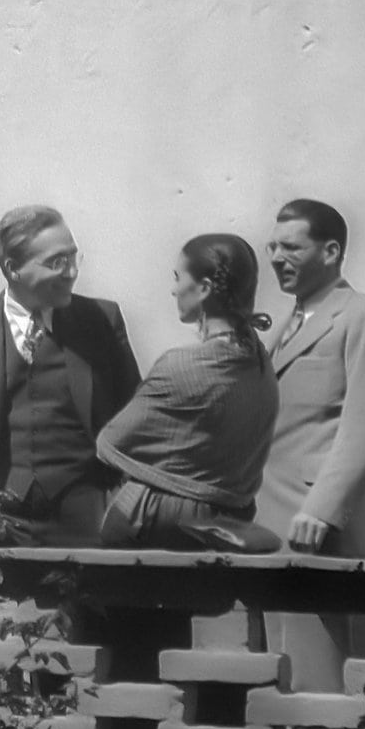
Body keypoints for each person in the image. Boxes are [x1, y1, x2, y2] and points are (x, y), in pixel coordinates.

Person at [258, 199, 365, 729]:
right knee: (268, 699)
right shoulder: (284, 325)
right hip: (259, 537)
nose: (276, 257)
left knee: (313, 704)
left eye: (291, 246)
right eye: (273, 247)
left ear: (331, 251)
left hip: (310, 538)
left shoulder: (364, 316)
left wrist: (324, 507)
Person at [0, 205, 141, 548]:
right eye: (56, 262)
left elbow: (135, 418)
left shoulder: (102, 321)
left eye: (73, 257)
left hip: (86, 516)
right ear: (13, 269)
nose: (71, 272)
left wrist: (123, 497)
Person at [96, 234, 278, 548]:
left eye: (178, 278)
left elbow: (110, 444)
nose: (173, 289)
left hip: (158, 523)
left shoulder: (182, 365)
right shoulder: (260, 361)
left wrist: (171, 476)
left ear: (205, 288)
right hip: (233, 522)